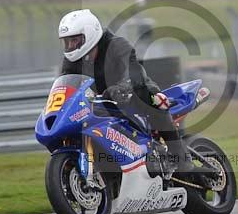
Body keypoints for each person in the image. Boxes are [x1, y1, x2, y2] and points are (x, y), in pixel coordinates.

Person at [58, 9, 195, 174]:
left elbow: (134, 73)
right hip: (99, 101)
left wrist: (122, 87)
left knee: (154, 103)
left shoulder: (116, 45)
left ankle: (181, 160)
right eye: (67, 42)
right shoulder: (71, 61)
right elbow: (67, 83)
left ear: (90, 34)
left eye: (75, 40)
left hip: (134, 90)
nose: (71, 46)